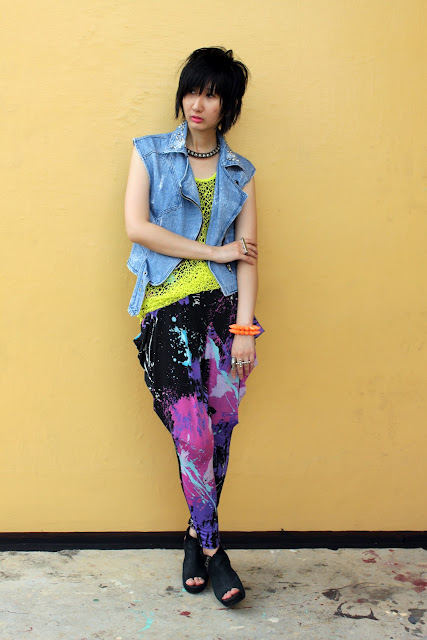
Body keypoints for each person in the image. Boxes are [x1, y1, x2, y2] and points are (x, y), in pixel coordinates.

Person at [124, 46, 263, 608]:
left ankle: (193, 539)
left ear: (228, 105)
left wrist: (245, 329)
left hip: (224, 315)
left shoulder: (240, 172)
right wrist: (214, 250)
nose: (196, 104)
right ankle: (215, 549)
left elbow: (248, 256)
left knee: (220, 433)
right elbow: (138, 228)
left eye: (210, 94)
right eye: (191, 91)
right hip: (169, 312)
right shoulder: (150, 154)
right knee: (193, 435)